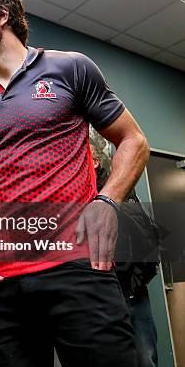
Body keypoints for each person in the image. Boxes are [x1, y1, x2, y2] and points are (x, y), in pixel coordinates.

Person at [0, 0, 150, 366]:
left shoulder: (69, 67)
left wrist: (107, 201)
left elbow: (134, 142)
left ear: (1, 15)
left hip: (78, 267)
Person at [90, 132, 160, 367]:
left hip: (131, 293)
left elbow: (146, 240)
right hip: (100, 297)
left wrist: (134, 283)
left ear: (95, 161)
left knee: (144, 358)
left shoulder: (118, 192)